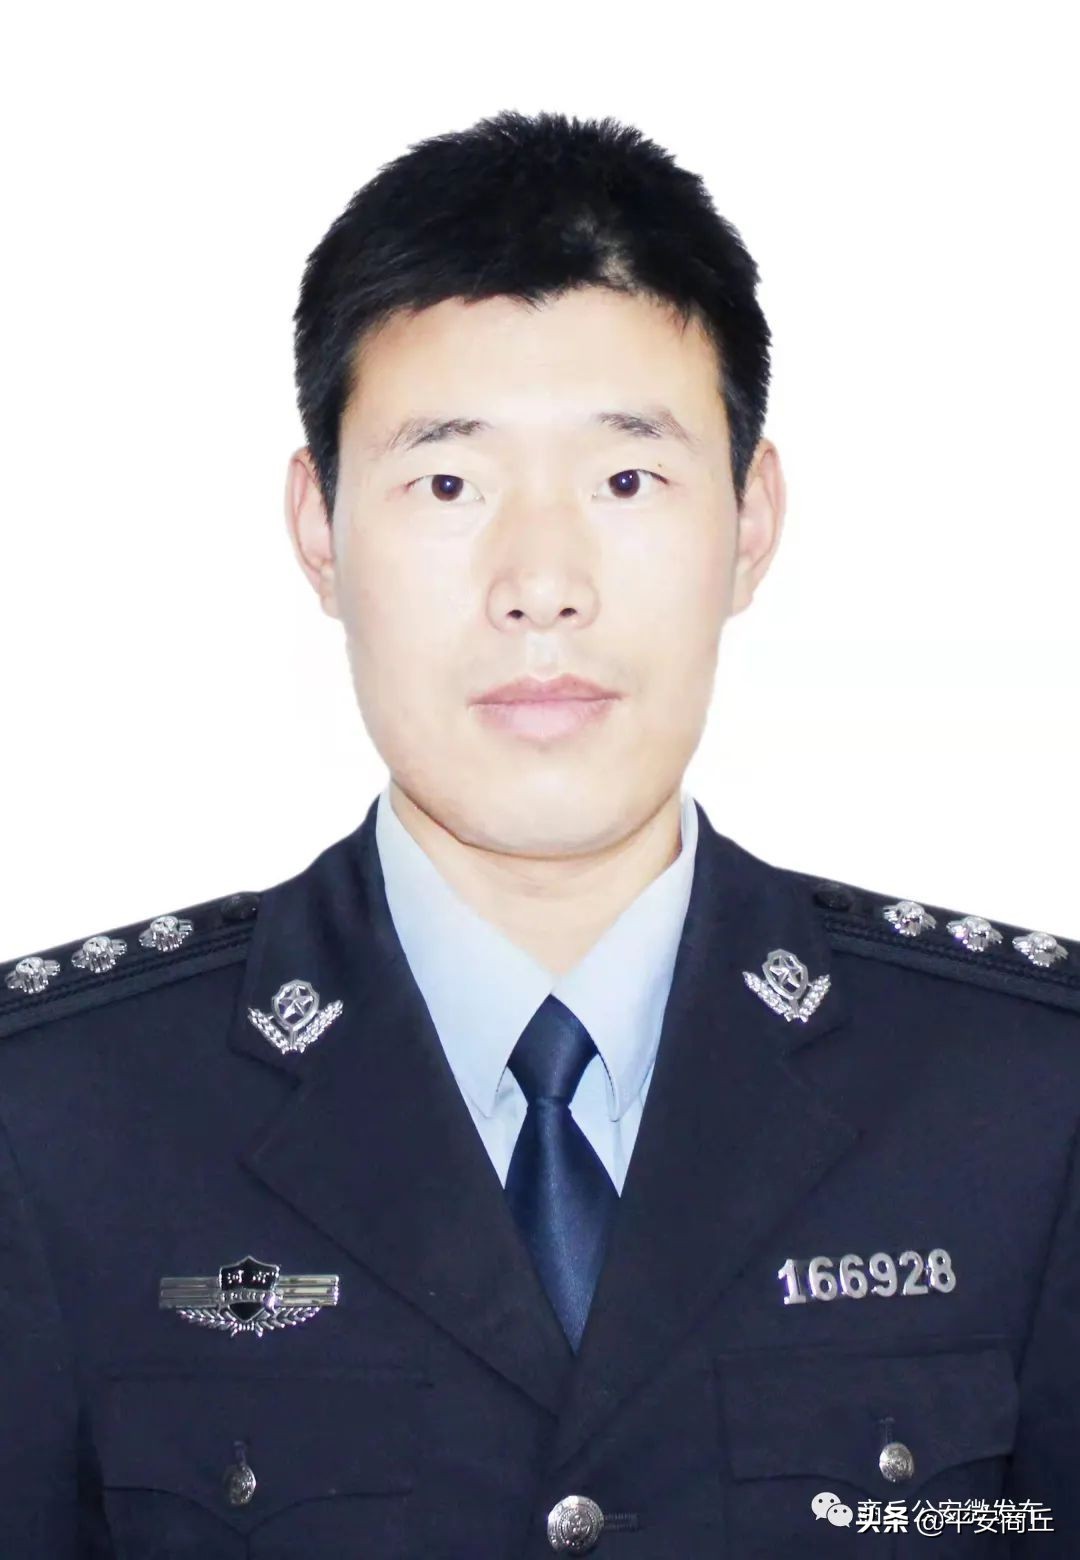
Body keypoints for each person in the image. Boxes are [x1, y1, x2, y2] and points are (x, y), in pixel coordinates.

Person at [1, 108, 1077, 1560]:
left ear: (750, 521)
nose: (542, 582)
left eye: (627, 480)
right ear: (319, 529)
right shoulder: (55, 1121)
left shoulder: (1027, 1098)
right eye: (448, 483)